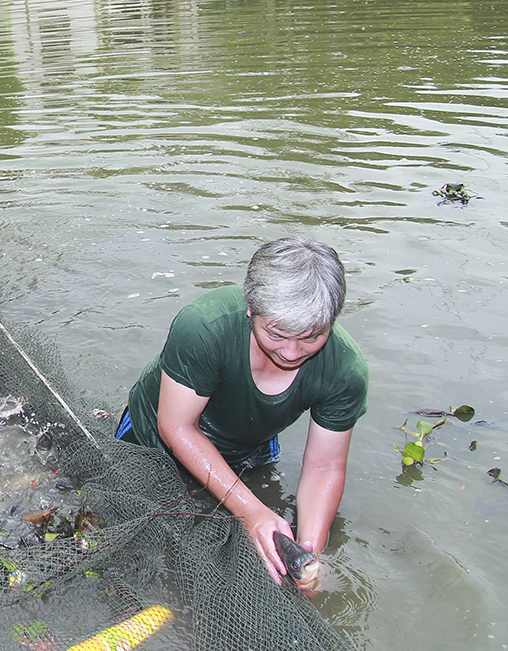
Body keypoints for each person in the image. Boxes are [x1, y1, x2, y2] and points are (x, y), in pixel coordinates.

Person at [115, 238, 368, 595]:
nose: (292, 352)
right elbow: (175, 425)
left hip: (248, 442)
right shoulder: (204, 327)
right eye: (277, 334)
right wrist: (252, 510)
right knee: (142, 539)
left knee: (264, 542)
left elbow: (324, 466)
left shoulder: (345, 369)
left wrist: (307, 552)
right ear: (251, 308)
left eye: (312, 337)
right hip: (155, 438)